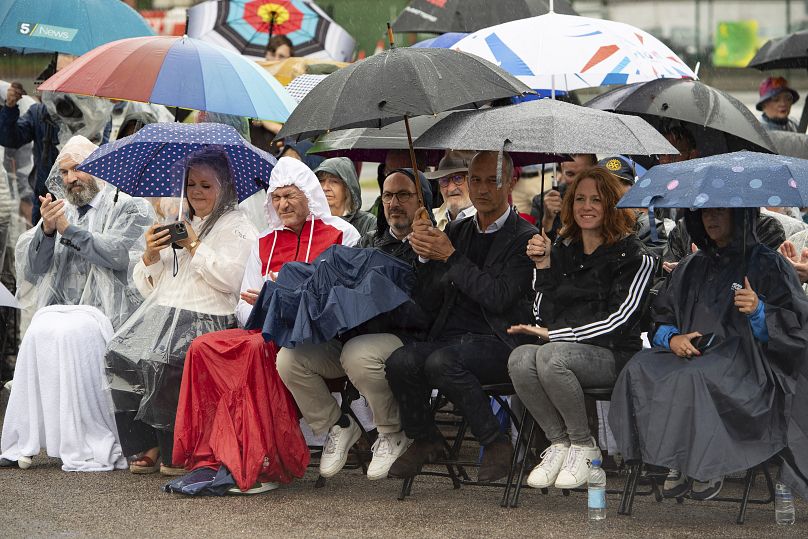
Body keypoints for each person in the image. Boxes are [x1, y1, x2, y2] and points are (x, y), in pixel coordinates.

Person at [172, 157, 360, 494]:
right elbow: (245, 306)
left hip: (315, 336)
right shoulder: (265, 242)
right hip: (267, 329)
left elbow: (344, 298)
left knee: (258, 349)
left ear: (309, 195)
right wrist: (263, 303)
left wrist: (284, 297)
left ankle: (262, 461)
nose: (283, 204)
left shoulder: (342, 234)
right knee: (203, 347)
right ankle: (214, 454)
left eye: (291, 196)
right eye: (276, 198)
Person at [610, 207, 808, 501]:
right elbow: (661, 316)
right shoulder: (691, 265)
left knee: (694, 376)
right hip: (693, 352)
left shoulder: (770, 264)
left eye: (720, 213)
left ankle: (702, 464)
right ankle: (667, 458)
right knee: (639, 367)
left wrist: (759, 311)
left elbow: (796, 332)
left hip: (750, 365)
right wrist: (672, 338)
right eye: (705, 214)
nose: (711, 219)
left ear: (740, 215)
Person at [0, 136, 153, 471]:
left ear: (98, 168)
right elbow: (35, 269)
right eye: (64, 171)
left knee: (74, 332)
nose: (69, 179)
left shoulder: (130, 206)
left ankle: (85, 434)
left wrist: (68, 230)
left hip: (110, 313)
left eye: (78, 169)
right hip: (61, 310)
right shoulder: (59, 211)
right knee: (39, 329)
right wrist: (49, 232)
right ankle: (20, 441)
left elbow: (117, 255)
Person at [105, 147, 258, 476]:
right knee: (118, 351)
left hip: (210, 317)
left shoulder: (240, 227)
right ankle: (147, 442)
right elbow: (151, 286)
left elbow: (234, 281)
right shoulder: (181, 222)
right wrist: (150, 255)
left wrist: (195, 247)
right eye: (191, 185)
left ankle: (178, 446)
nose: (197, 193)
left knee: (165, 358)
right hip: (165, 312)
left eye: (206, 185)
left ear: (225, 187)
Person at [385, 151, 537, 481]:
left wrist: (451, 257)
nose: (482, 189)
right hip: (452, 337)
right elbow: (428, 299)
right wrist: (424, 256)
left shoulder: (525, 237)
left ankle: (495, 442)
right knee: (400, 361)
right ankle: (426, 439)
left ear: (511, 182)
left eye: (492, 180)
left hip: (500, 339)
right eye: (475, 180)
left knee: (442, 362)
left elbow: (498, 297)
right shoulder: (457, 229)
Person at [506, 167, 654, 490]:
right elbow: (542, 314)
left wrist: (554, 336)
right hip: (565, 349)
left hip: (617, 356)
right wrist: (543, 267)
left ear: (612, 205)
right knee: (519, 358)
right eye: (580, 199)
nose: (586, 207)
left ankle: (584, 446)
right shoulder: (564, 249)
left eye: (596, 200)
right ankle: (559, 444)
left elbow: (619, 321)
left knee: (550, 357)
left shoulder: (635, 255)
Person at [0, 86, 113, 224]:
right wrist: (10, 107)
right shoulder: (40, 113)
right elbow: (9, 138)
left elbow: (101, 157)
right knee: (44, 241)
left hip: (84, 198)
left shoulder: (97, 116)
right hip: (46, 199)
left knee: (80, 241)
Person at [599, 156, 669, 256]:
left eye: (620, 183)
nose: (613, 190)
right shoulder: (585, 222)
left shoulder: (649, 227)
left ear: (632, 188)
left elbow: (654, 264)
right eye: (605, 184)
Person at [530, 154, 597, 240]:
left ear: (595, 169)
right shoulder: (541, 202)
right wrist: (548, 220)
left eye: (583, 175)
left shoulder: (607, 199)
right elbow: (535, 246)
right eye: (570, 174)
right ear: (562, 169)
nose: (576, 182)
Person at [315, 157, 376, 236]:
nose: (325, 188)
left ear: (347, 187)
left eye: (334, 182)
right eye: (321, 181)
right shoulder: (312, 221)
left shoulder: (367, 223)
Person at [427, 152, 475, 231]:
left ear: (474, 182)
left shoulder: (489, 220)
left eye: (458, 178)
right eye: (444, 180)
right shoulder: (430, 219)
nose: (451, 188)